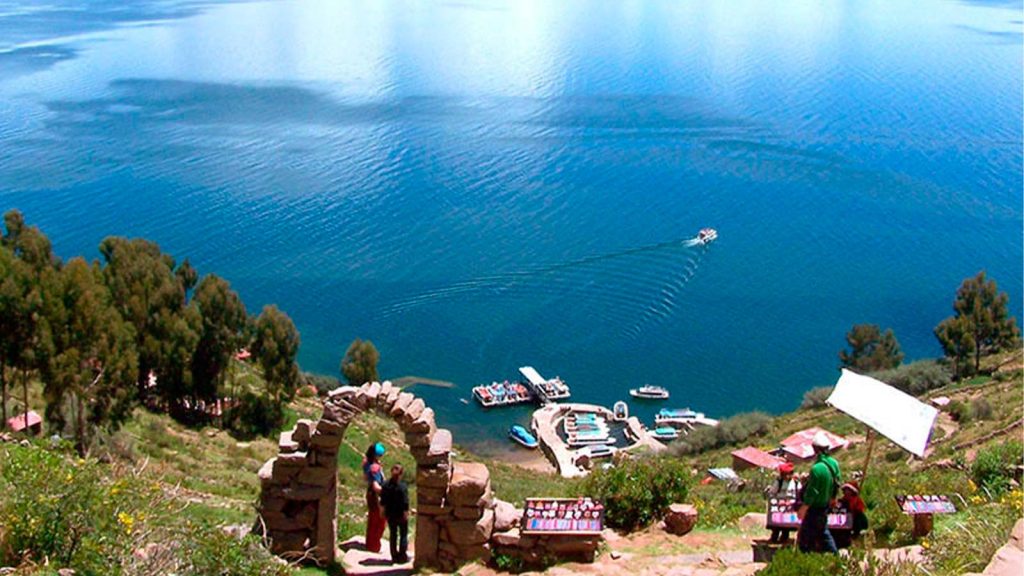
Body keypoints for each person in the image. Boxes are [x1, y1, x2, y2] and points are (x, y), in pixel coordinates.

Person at [797, 432, 841, 554]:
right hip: (825, 505)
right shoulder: (834, 464)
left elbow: (812, 492)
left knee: (807, 536)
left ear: (815, 449)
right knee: (821, 531)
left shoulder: (817, 468)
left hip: (814, 507)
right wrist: (833, 498)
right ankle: (832, 556)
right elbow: (837, 483)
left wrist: (804, 508)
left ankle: (805, 559)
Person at [380, 464, 410, 563]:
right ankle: (402, 556)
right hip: (400, 514)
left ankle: (394, 555)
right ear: (401, 474)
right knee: (403, 534)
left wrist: (382, 512)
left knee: (393, 534)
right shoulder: (403, 486)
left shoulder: (385, 485)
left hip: (390, 513)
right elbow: (405, 502)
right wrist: (406, 513)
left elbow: (383, 501)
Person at [765, 461, 801, 543]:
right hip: (780, 506)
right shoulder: (779, 482)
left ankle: (784, 537)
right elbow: (772, 492)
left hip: (791, 506)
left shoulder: (796, 483)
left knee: (787, 524)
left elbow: (799, 494)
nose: (787, 476)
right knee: (777, 524)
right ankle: (774, 537)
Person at [363, 442, 387, 553]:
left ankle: (370, 544)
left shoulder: (367, 463)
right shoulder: (375, 468)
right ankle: (374, 546)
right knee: (379, 521)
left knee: (372, 520)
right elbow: (376, 486)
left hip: (370, 495)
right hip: (377, 496)